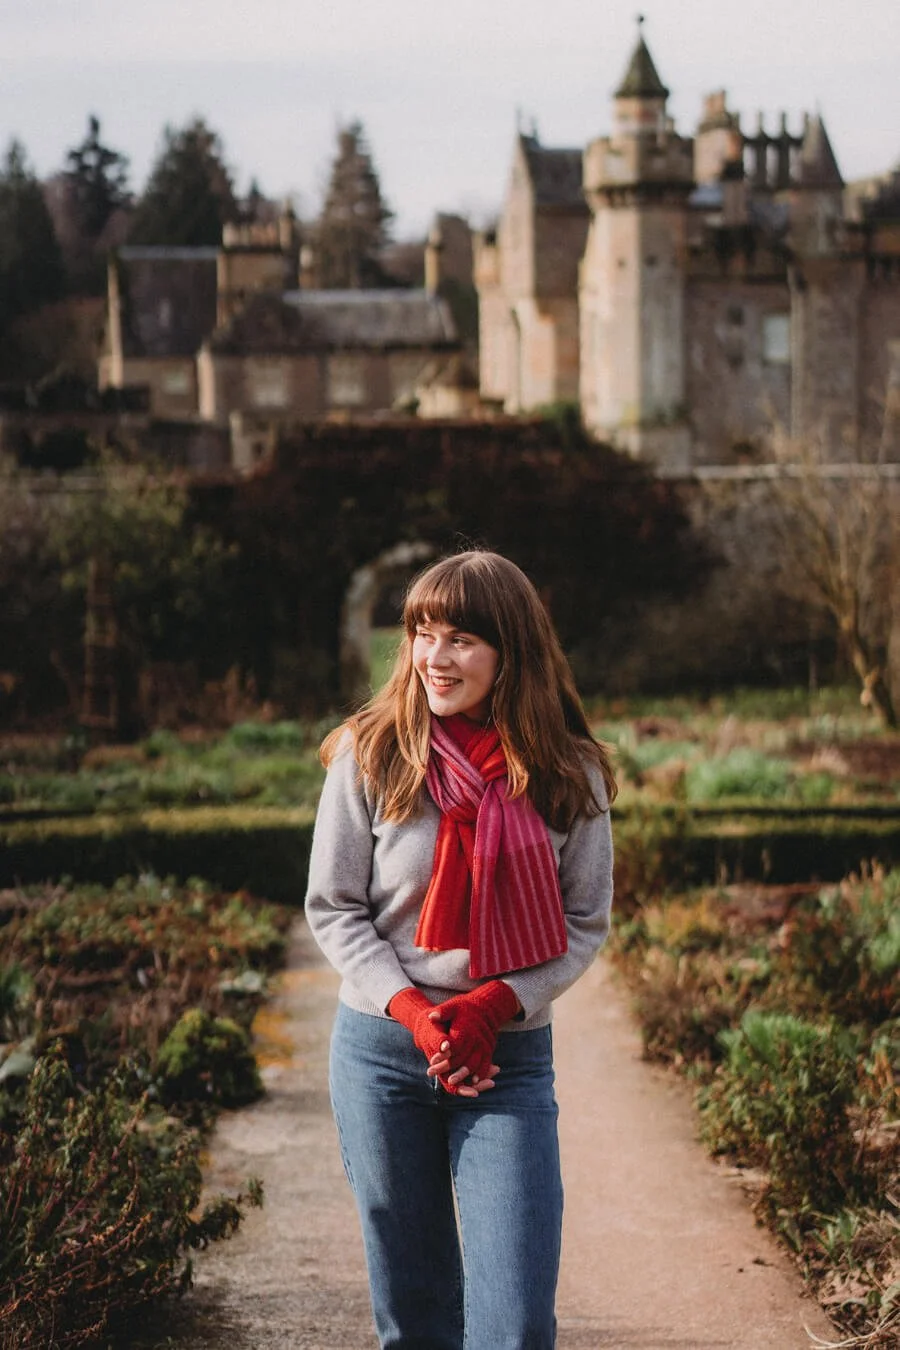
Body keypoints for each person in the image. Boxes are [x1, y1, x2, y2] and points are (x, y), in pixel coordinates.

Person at [304, 549, 616, 1350]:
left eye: (462, 640)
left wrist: (491, 1003)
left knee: (514, 1325)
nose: (435, 659)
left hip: (506, 1061)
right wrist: (414, 1010)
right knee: (416, 1321)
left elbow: (584, 921)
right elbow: (334, 908)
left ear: (511, 650)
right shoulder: (370, 753)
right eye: (422, 634)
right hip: (383, 1056)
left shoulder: (567, 774)